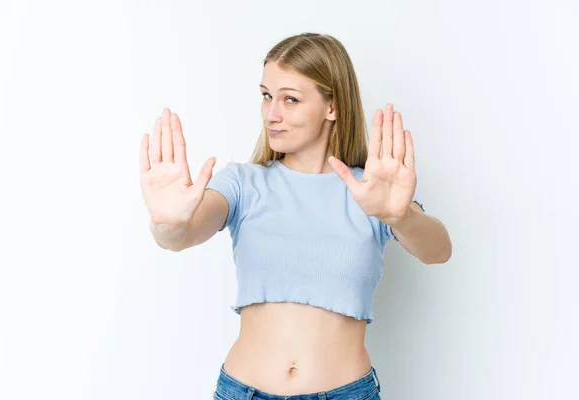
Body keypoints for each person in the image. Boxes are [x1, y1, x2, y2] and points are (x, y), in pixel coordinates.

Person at [139, 33, 452, 400]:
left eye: (290, 99)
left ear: (331, 107)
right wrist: (168, 224)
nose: (272, 114)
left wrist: (400, 217)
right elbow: (181, 235)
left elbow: (439, 250)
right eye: (267, 95)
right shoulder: (243, 183)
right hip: (244, 391)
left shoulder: (370, 191)